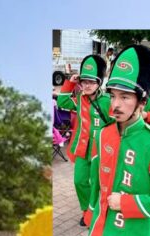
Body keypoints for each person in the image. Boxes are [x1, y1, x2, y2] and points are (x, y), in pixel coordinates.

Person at [86, 44, 150, 236]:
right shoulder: (102, 135)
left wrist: (125, 203)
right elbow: (96, 182)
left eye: (125, 97)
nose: (115, 104)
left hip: (134, 235)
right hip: (99, 230)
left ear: (142, 101)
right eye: (112, 96)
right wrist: (91, 210)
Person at [55, 55, 111, 225]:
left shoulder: (107, 101)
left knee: (96, 183)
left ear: (99, 82)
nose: (87, 85)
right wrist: (70, 83)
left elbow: (117, 125)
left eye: (91, 82)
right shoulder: (80, 98)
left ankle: (92, 214)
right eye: (84, 81)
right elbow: (62, 101)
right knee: (79, 181)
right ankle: (86, 209)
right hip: (82, 148)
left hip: (100, 151)